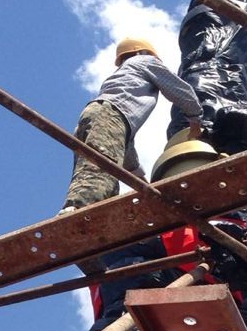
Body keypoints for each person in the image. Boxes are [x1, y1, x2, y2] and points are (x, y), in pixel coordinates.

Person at [61, 37, 203, 212]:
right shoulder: (144, 60)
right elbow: (178, 88)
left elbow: (124, 148)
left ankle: (88, 212)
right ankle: (81, 210)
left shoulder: (122, 79)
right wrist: (195, 118)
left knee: (103, 171)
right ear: (140, 52)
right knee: (102, 167)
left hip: (94, 116)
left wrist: (143, 183)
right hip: (107, 113)